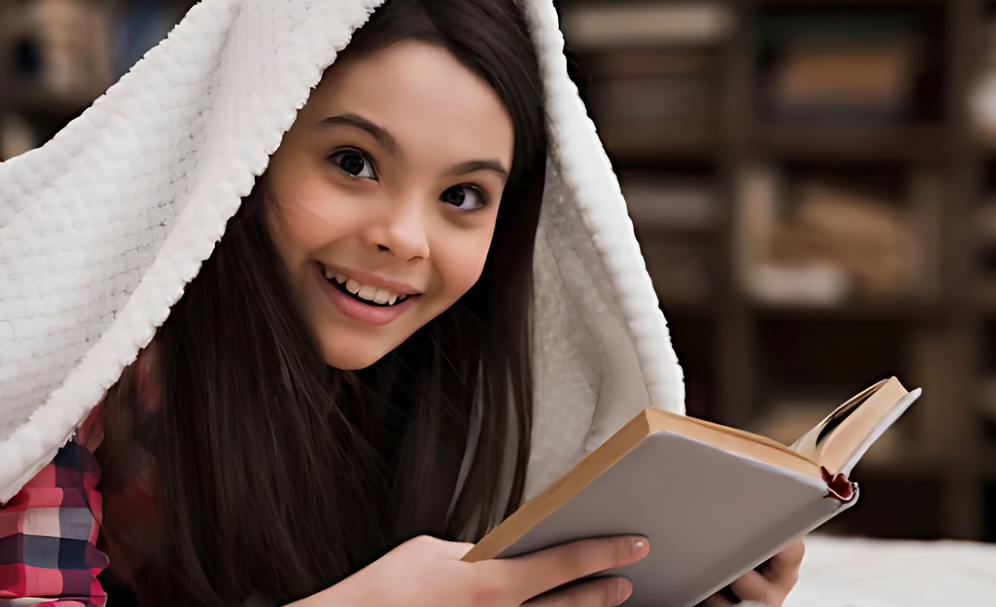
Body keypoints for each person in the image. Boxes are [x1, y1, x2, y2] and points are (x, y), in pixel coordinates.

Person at [0, 1, 803, 606]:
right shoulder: (68, 373)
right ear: (246, 145)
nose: (406, 238)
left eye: (463, 194)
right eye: (352, 161)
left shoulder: (443, 376)